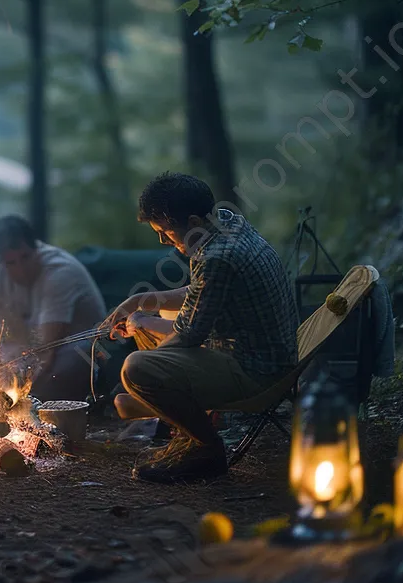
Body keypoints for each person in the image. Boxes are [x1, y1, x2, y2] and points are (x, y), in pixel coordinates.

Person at [109, 173, 298, 483]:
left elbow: (189, 333)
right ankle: (182, 422)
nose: (162, 240)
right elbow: (204, 293)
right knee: (144, 334)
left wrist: (138, 372)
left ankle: (205, 448)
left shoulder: (216, 256)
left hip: (256, 371)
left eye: (165, 232)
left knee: (135, 368)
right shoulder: (226, 222)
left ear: (194, 221)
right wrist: (141, 301)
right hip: (261, 352)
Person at [0, 215, 106, 401]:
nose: (21, 269)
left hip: (79, 351)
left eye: (26, 257)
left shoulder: (60, 273)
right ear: (1, 263)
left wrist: (15, 394)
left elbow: (44, 350)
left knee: (70, 360)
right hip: (33, 347)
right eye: (11, 263)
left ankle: (33, 405)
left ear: (36, 247)